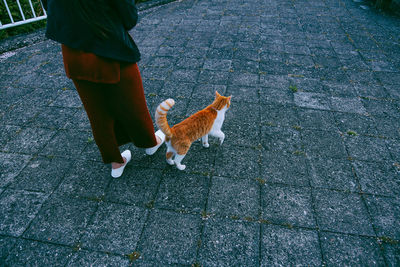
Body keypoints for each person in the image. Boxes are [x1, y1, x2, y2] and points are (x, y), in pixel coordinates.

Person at [42, 0, 165, 178]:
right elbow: (129, 17)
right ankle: (150, 143)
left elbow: (49, 7)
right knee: (133, 104)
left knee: (97, 112)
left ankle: (116, 162)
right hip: (109, 47)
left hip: (73, 52)